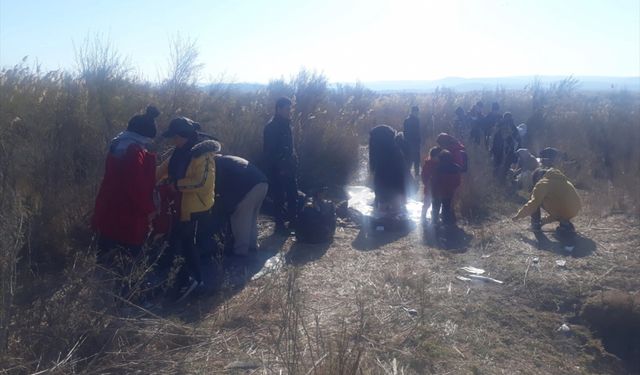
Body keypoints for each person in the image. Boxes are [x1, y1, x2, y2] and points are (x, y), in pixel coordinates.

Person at [157, 117, 219, 300]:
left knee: (187, 243)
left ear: (183, 135)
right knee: (179, 243)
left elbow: (202, 183)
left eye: (175, 137)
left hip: (196, 208)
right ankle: (185, 279)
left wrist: (176, 185)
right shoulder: (178, 152)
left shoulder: (203, 154)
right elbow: (161, 171)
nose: (173, 141)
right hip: (180, 207)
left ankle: (194, 280)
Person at [92, 105, 160, 261]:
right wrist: (149, 209)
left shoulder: (118, 144)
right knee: (127, 262)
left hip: (109, 207)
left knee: (105, 255)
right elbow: (136, 187)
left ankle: (99, 284)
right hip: (128, 215)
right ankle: (124, 285)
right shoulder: (135, 151)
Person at [213, 154, 268, 256]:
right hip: (262, 183)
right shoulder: (228, 159)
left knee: (240, 219)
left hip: (249, 187)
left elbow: (218, 185)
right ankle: (252, 246)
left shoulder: (217, 164)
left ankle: (241, 252)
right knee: (251, 219)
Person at [512, 165, 581, 240]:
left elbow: (533, 204)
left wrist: (518, 216)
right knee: (552, 199)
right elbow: (559, 207)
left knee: (534, 197)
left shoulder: (542, 183)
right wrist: (543, 221)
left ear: (538, 178)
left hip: (563, 210)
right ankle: (565, 223)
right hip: (574, 210)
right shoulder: (563, 180)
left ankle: (535, 224)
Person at [263, 97, 298, 234]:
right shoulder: (271, 127)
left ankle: (293, 222)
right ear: (279, 109)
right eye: (287, 109)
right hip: (278, 169)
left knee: (292, 195)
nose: (290, 111)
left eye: (291, 109)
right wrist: (280, 167)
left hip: (289, 167)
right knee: (279, 196)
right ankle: (279, 225)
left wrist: (294, 159)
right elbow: (270, 151)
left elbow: (290, 147)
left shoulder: (287, 124)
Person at [369, 124, 407, 214]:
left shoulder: (378, 153)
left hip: (383, 188)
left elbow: (377, 175)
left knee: (383, 212)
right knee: (395, 211)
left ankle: (382, 223)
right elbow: (402, 174)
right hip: (394, 188)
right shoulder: (395, 152)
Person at [431, 150, 462, 226]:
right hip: (449, 192)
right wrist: (453, 188)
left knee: (435, 207)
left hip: (437, 192)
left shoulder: (437, 168)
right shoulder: (456, 168)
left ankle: (435, 223)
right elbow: (458, 181)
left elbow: (434, 181)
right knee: (446, 208)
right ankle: (446, 223)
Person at [420, 146, 442, 222]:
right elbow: (424, 176)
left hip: (437, 189)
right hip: (429, 188)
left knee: (436, 203)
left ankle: (434, 217)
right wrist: (426, 183)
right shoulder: (428, 165)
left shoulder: (439, 165)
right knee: (427, 203)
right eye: (437, 157)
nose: (438, 159)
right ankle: (423, 216)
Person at [403, 106, 421, 177]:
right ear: (413, 111)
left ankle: (412, 175)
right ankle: (414, 175)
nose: (417, 113)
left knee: (412, 160)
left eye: (417, 112)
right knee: (413, 160)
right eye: (416, 111)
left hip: (412, 143)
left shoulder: (408, 120)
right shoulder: (413, 120)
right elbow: (408, 132)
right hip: (412, 143)